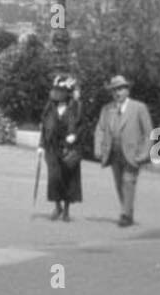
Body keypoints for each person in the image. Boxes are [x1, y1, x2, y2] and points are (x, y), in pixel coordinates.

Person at [94, 74, 153, 228]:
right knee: (119, 184)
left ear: (127, 90)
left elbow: (149, 133)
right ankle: (127, 210)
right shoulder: (107, 109)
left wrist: (146, 152)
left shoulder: (138, 108)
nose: (117, 93)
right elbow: (100, 129)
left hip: (133, 153)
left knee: (128, 181)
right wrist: (98, 147)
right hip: (113, 152)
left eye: (120, 89)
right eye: (114, 90)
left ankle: (125, 215)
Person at [38, 75, 82, 221]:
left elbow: (81, 125)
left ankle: (67, 210)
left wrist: (74, 136)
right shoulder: (49, 107)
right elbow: (44, 128)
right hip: (52, 148)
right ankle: (57, 206)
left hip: (69, 148)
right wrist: (41, 145)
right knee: (54, 178)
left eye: (60, 90)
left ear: (67, 92)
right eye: (55, 89)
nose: (56, 93)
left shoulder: (75, 107)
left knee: (69, 178)